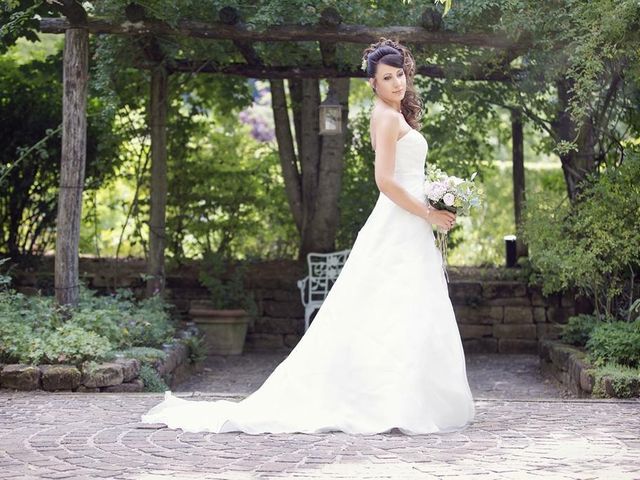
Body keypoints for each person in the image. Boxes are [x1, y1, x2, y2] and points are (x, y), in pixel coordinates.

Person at [141, 37, 476, 435]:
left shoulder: (396, 113)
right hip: (400, 219)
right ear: (373, 83)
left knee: (407, 307)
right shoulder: (384, 117)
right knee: (388, 307)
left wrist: (436, 201)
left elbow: (407, 176)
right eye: (387, 78)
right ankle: (386, 401)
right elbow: (385, 180)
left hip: (411, 223)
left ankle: (406, 398)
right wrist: (428, 211)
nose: (397, 83)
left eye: (399, 75)